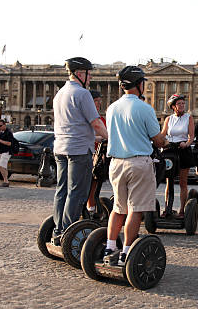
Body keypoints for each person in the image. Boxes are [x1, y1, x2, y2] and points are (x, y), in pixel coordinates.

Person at [102, 66, 166, 266]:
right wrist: (165, 137)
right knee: (135, 209)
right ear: (139, 85)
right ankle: (126, 253)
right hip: (138, 162)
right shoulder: (144, 108)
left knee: (118, 208)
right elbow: (157, 141)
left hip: (116, 163)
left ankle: (109, 247)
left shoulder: (111, 107)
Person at [51, 57, 108, 246]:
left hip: (60, 148)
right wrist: (111, 137)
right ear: (80, 73)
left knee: (62, 191)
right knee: (77, 193)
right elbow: (96, 123)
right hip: (78, 151)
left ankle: (58, 230)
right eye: (89, 74)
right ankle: (67, 234)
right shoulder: (83, 94)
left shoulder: (59, 93)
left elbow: (73, 126)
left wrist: (95, 137)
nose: (90, 78)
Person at [160, 94, 195, 218]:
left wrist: (186, 144)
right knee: (169, 181)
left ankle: (181, 210)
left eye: (183, 103)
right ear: (173, 106)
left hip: (183, 150)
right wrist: (159, 141)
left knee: (182, 182)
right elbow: (163, 134)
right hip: (170, 150)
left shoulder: (188, 118)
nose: (182, 106)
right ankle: (167, 208)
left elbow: (191, 136)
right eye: (179, 104)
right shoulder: (168, 119)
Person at [86, 89, 106, 215]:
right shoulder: (87, 116)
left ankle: (92, 207)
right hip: (89, 153)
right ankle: (89, 208)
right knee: (89, 182)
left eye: (99, 101)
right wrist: (100, 138)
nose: (98, 104)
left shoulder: (101, 118)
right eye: (96, 101)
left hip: (99, 155)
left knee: (95, 182)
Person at [0, 119, 13, 187]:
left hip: (6, 151)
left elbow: (9, 143)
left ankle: (6, 181)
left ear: (4, 125)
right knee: (4, 167)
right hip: (1, 151)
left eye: (0, 125)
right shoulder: (1, 132)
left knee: (0, 166)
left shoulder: (8, 132)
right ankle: (5, 181)